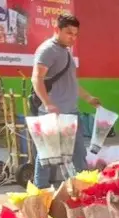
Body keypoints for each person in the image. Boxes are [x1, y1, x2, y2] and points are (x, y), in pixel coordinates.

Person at [31, 13, 101, 188]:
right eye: (69, 33)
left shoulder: (65, 51)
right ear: (57, 29)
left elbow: (71, 82)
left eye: (75, 34)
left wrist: (88, 98)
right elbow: (36, 79)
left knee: (79, 153)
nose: (73, 38)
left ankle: (85, 188)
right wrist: (47, 103)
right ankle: (40, 192)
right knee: (47, 155)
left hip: (71, 111)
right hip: (52, 113)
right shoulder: (47, 50)